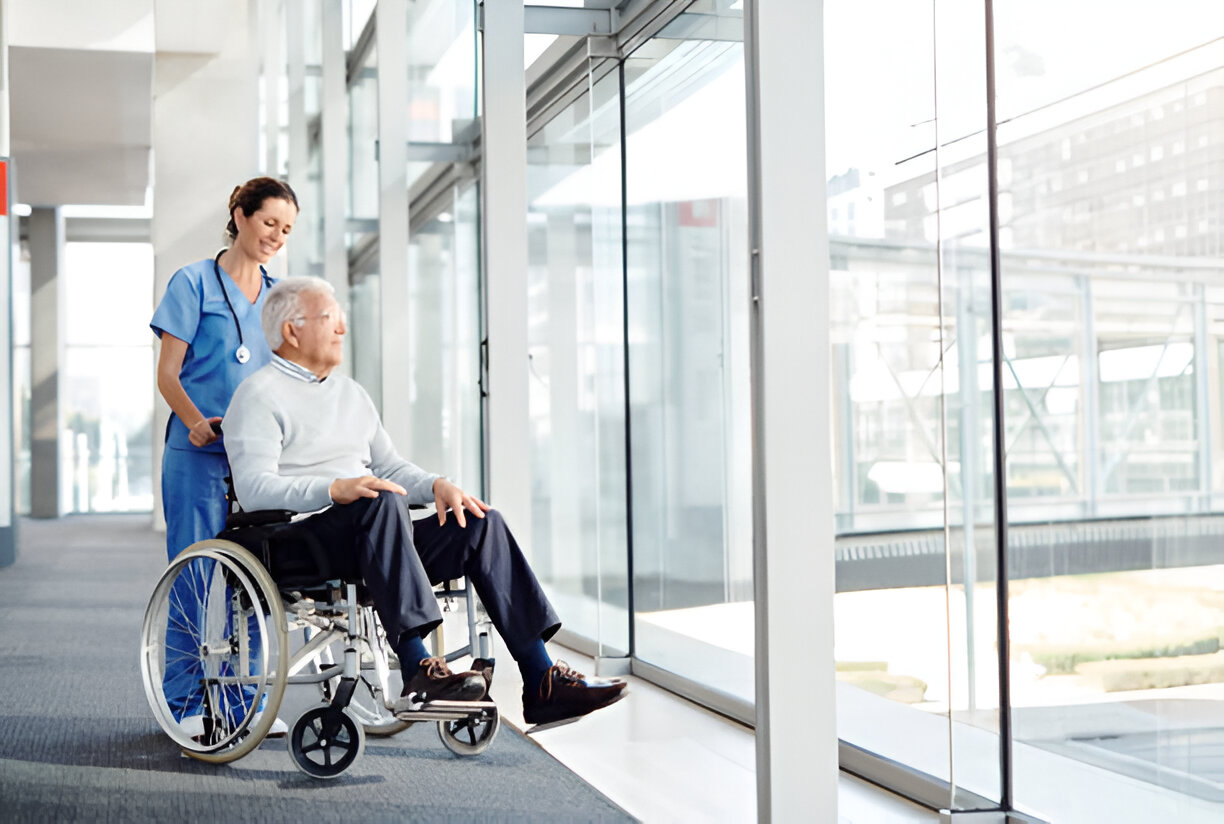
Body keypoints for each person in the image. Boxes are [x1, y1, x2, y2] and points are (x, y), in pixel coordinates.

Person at [223, 276, 628, 727]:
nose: (341, 329)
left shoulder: (350, 394)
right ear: (292, 331)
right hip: (303, 539)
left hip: (374, 532)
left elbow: (390, 468)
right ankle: (418, 669)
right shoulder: (257, 395)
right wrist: (334, 488)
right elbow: (253, 489)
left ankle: (542, 680)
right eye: (329, 319)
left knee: (478, 520)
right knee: (381, 501)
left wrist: (437, 485)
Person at [149, 176, 298, 737]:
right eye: (268, 223)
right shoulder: (192, 283)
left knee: (259, 579)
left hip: (256, 459)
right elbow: (168, 374)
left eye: (285, 230)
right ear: (239, 214)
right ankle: (184, 703)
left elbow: (287, 380)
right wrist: (194, 423)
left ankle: (248, 704)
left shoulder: (280, 299)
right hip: (196, 452)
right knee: (195, 574)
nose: (275, 237)